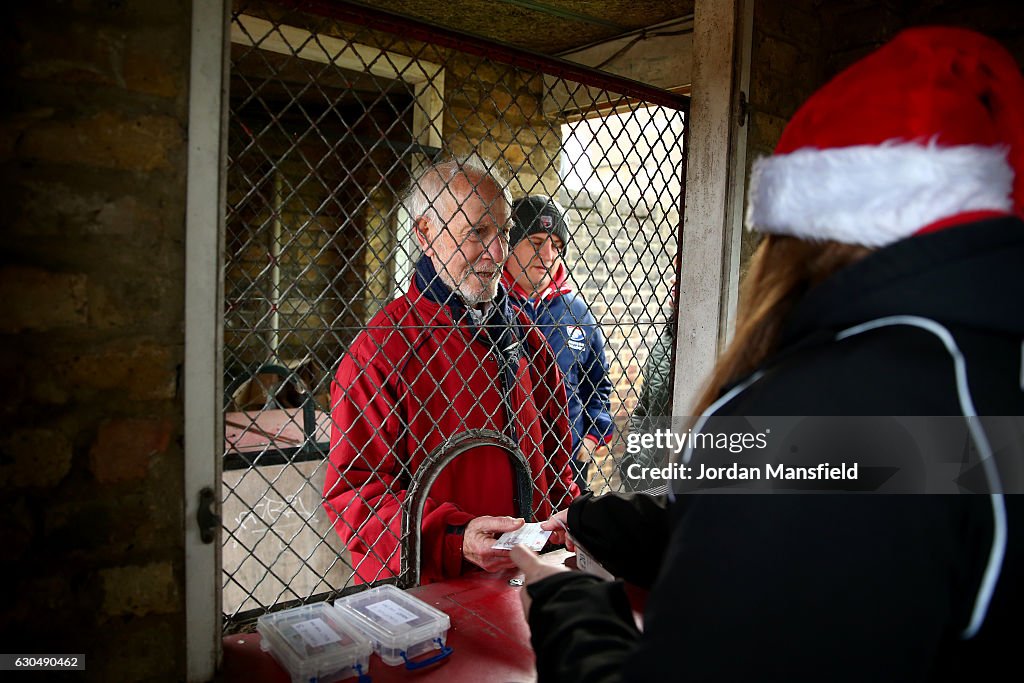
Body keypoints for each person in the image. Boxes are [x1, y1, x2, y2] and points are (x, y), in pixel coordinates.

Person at [510, 26, 1024, 681]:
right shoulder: (952, 375)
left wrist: (565, 604)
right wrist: (586, 518)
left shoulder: (830, 404)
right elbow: (795, 508)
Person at [323, 155, 579, 584]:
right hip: (426, 595)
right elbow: (353, 493)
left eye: (505, 233)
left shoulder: (526, 337)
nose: (498, 253)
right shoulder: (383, 348)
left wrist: (573, 515)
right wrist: (455, 537)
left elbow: (556, 458)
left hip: (522, 579)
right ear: (425, 233)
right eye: (477, 232)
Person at [501, 195, 614, 490]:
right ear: (510, 243)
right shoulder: (489, 306)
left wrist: (592, 436)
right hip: (507, 458)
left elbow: (597, 383)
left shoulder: (577, 313)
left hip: (567, 460)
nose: (548, 255)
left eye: (557, 246)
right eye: (536, 242)